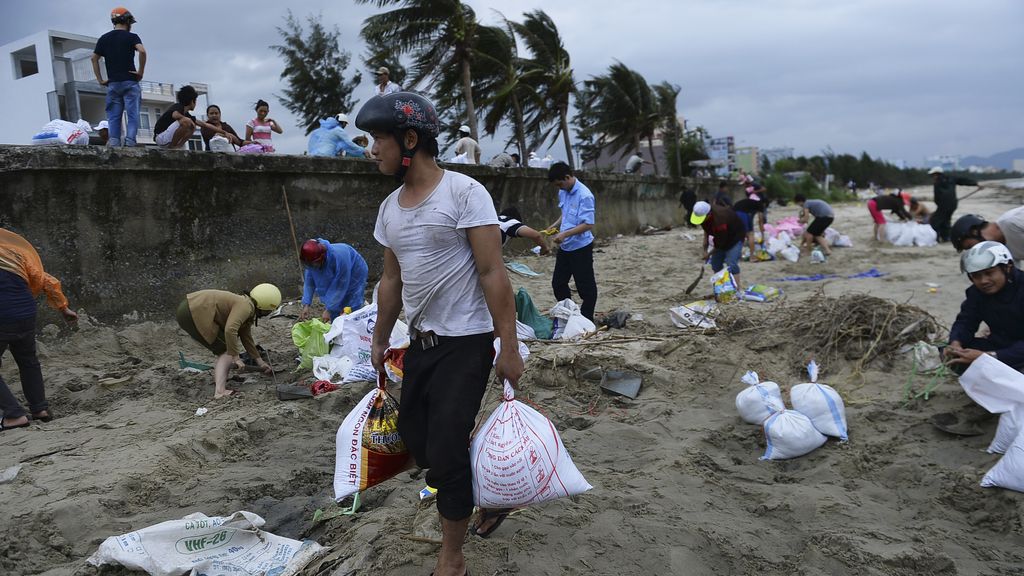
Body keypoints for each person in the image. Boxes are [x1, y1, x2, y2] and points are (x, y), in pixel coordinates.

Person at [355, 91, 523, 576]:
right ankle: (486, 490)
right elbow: (391, 279)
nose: (371, 150)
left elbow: (494, 273)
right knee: (417, 439)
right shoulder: (389, 207)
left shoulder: (465, 193)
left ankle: (452, 557)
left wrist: (507, 348)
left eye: (377, 140)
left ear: (410, 140)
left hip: (468, 342)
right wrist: (380, 339)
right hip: (420, 343)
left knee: (446, 449)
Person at [0, 228, 78, 431]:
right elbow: (44, 278)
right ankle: (40, 409)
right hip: (25, 311)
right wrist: (63, 308)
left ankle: (14, 416)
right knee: (28, 361)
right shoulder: (13, 250)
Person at [175, 284, 279, 399]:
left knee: (225, 349)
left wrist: (260, 362)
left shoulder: (246, 305)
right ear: (263, 306)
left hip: (190, 307)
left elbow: (246, 337)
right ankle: (220, 391)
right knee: (226, 351)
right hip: (194, 310)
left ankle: (220, 384)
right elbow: (230, 330)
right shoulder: (246, 307)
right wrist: (236, 358)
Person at [944, 241, 1024, 372]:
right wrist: (955, 343)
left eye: (989, 273)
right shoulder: (976, 292)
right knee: (951, 354)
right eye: (976, 276)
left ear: (1008, 267)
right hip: (1001, 344)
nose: (983, 281)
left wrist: (988, 357)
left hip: (1018, 350)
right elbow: (966, 321)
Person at [547, 161, 598, 321]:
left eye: (560, 184)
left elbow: (588, 224)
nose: (559, 188)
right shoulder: (563, 192)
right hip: (566, 247)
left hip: (581, 247)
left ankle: (587, 318)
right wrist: (554, 226)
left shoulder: (585, 195)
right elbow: (566, 213)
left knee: (585, 288)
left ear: (568, 177)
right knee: (558, 284)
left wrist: (565, 234)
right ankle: (569, 314)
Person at [91, 6, 146, 147]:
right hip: (130, 81)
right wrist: (140, 72)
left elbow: (94, 58)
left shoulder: (104, 39)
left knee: (114, 117)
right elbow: (142, 51)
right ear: (127, 21)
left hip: (113, 83)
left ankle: (114, 142)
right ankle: (130, 142)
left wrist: (101, 80)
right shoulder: (132, 37)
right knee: (132, 115)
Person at [298, 238, 369, 321]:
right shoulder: (312, 261)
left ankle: (357, 316)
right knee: (336, 309)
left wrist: (329, 309)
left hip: (355, 271)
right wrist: (306, 304)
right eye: (309, 264)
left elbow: (340, 286)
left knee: (351, 301)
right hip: (340, 273)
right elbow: (309, 282)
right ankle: (337, 323)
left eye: (313, 264)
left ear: (322, 258)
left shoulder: (339, 257)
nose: (311, 266)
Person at [692, 200, 746, 292]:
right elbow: (706, 232)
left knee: (731, 263)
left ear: (708, 214)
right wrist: (705, 249)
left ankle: (737, 290)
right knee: (715, 264)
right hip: (721, 238)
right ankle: (722, 286)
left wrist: (708, 254)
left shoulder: (720, 221)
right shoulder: (703, 213)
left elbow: (720, 244)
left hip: (735, 237)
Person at [153, 86, 230, 150]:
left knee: (192, 126)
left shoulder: (187, 115)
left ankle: (178, 146)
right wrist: (188, 120)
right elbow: (175, 115)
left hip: (166, 138)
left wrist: (224, 132)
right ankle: (173, 147)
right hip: (161, 137)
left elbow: (204, 124)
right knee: (187, 122)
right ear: (192, 101)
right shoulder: (178, 106)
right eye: (195, 101)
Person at [951, 207, 1024, 266]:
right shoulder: (1003, 250)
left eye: (970, 246)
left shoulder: (1012, 221)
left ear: (974, 232)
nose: (976, 250)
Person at [928, 166, 981, 243]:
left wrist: (938, 205)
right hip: (953, 204)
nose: (932, 177)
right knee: (946, 220)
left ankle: (936, 238)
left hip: (943, 205)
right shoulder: (951, 178)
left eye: (933, 175)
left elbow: (937, 197)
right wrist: (975, 183)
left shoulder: (937, 182)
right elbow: (963, 181)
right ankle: (946, 238)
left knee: (935, 221)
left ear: (937, 174)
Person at [732, 195, 766, 259]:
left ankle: (737, 255)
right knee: (750, 234)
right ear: (764, 204)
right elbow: (760, 221)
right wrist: (762, 235)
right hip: (740, 213)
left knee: (740, 234)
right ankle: (752, 257)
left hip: (735, 213)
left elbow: (751, 219)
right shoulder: (760, 205)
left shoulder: (751, 203)